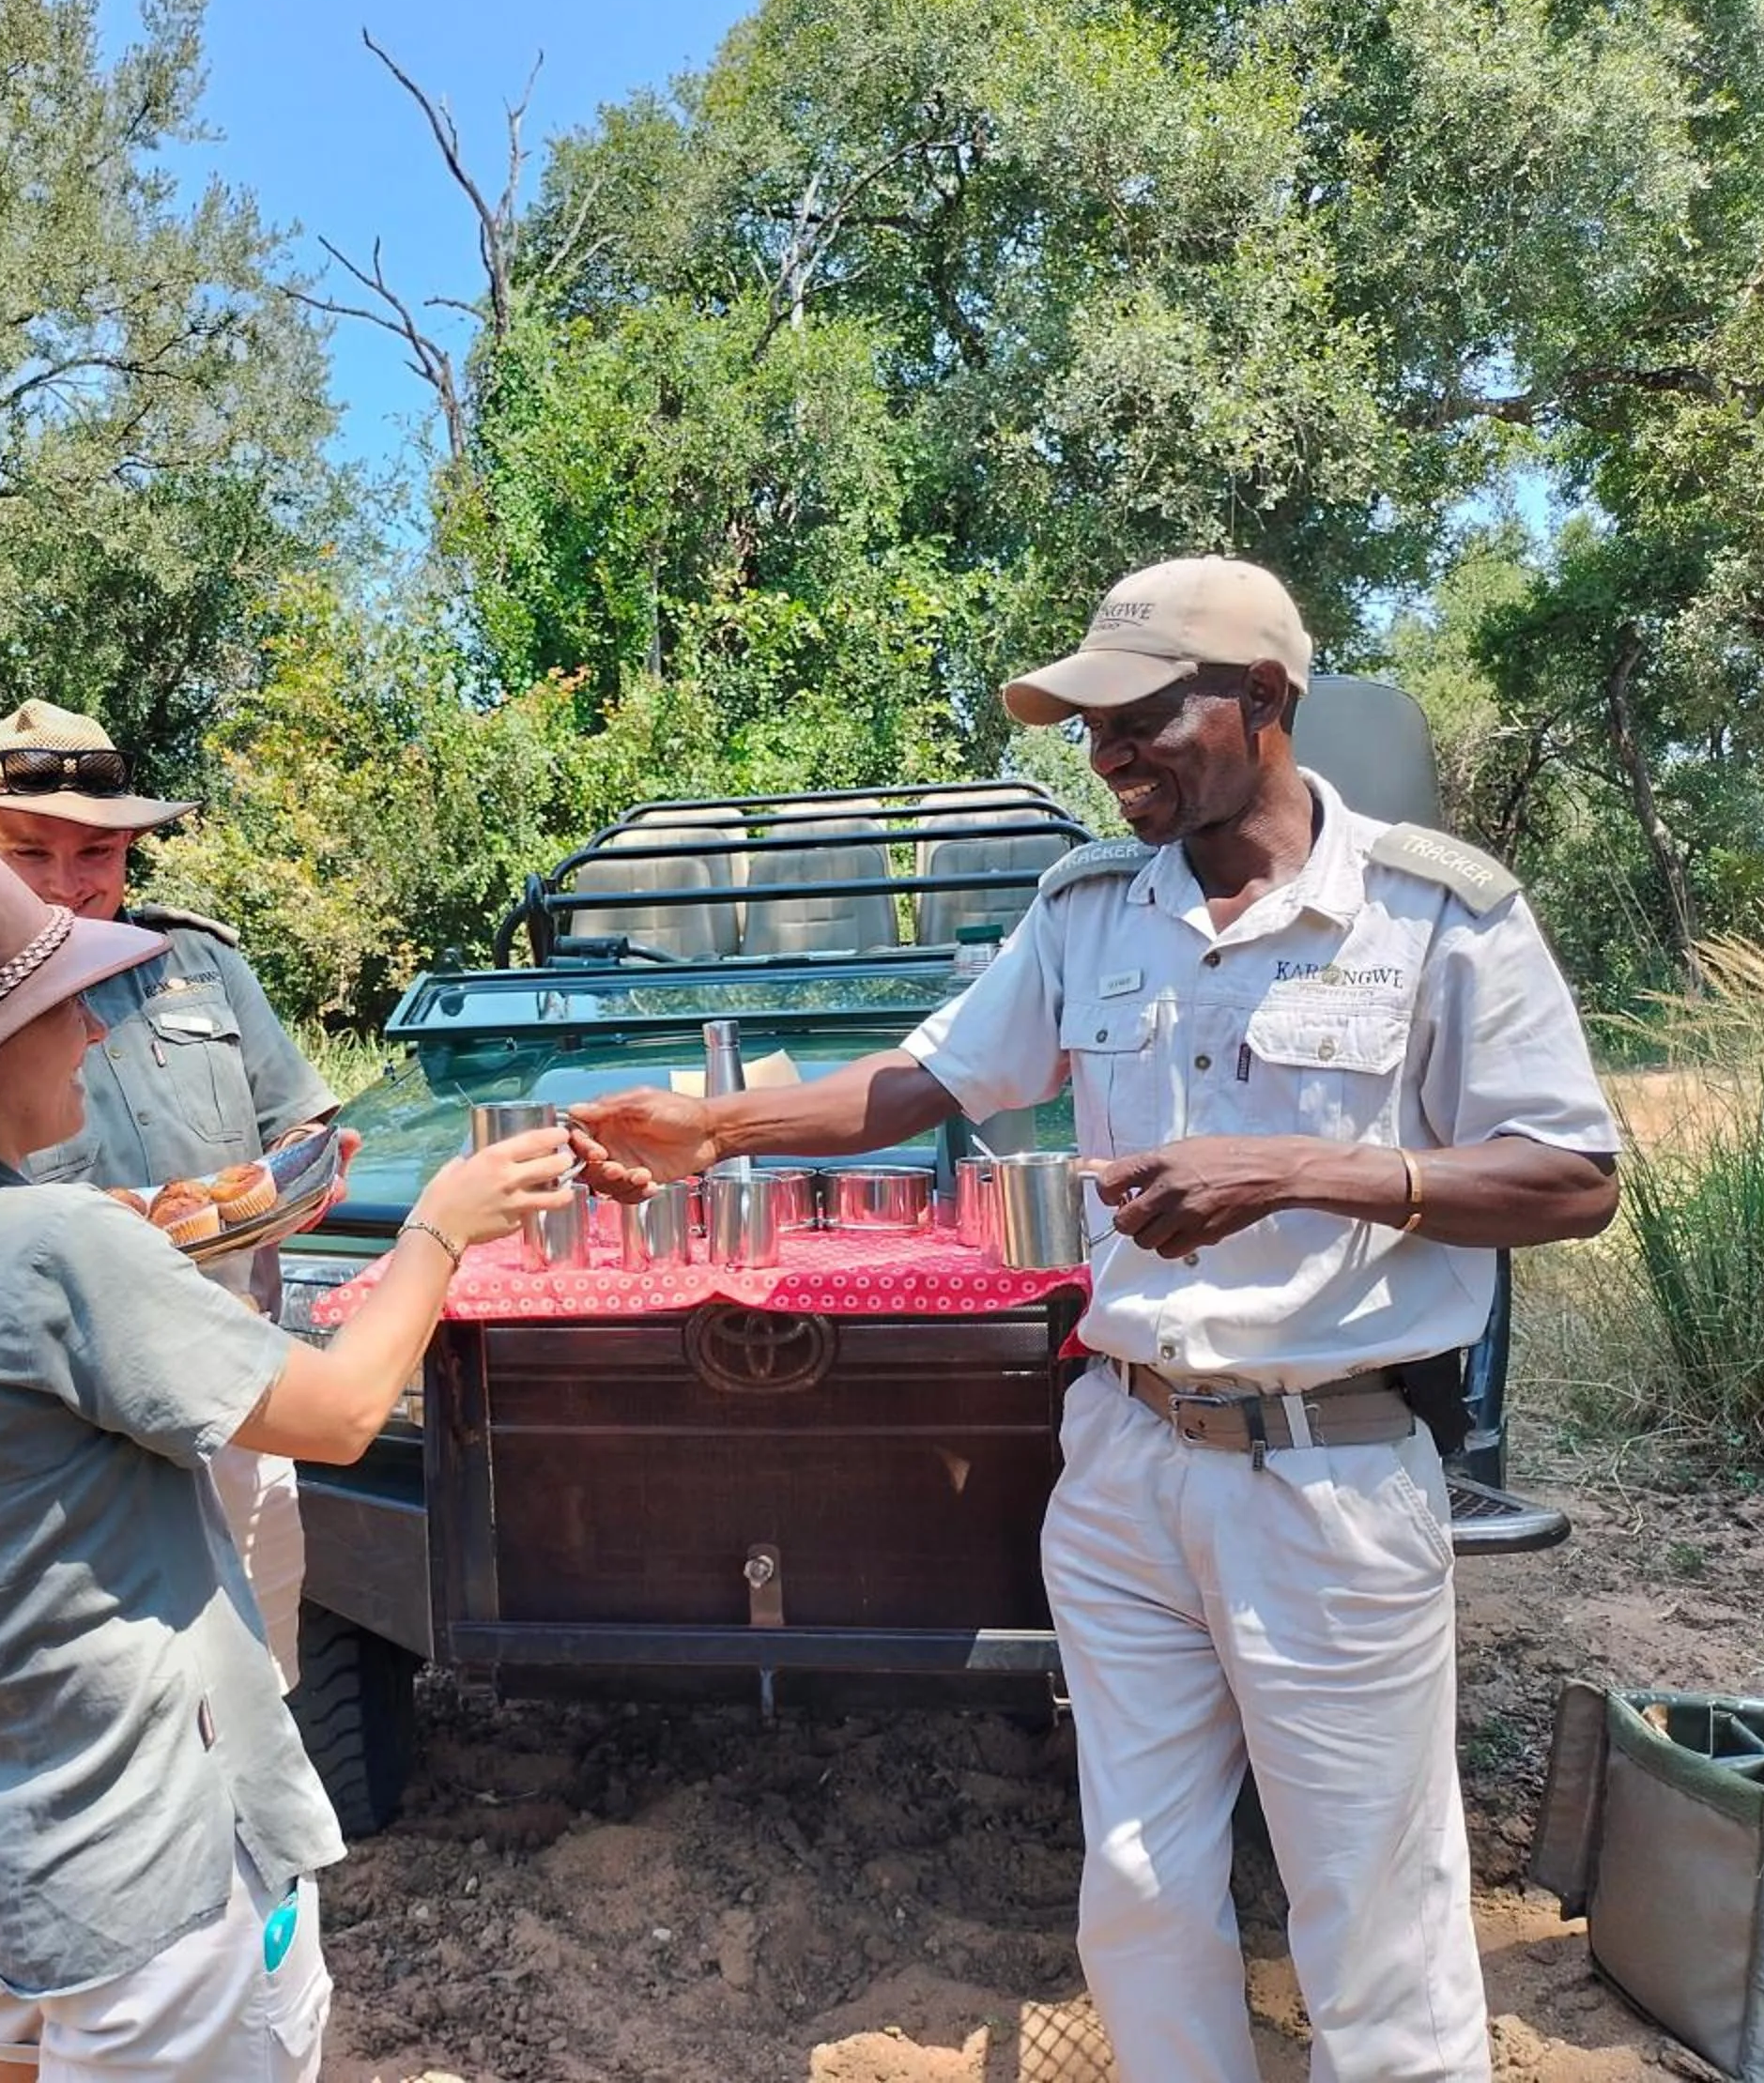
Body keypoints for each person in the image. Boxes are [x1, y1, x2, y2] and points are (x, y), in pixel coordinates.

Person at [571, 556, 1621, 2083]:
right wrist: (716, 1128)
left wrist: (1297, 1170)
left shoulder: (1434, 913)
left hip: (1326, 1478)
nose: (1105, 751)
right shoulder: (1087, 909)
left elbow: (1572, 1176)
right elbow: (933, 1078)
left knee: (1371, 1914)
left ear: (1263, 699)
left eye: (1140, 717)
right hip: (1124, 1461)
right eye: (1089, 724)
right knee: (1136, 1887)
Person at [0, 814, 575, 2082]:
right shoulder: (56, 1244)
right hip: (162, 1868)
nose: (97, 1028)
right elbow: (342, 1411)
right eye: (62, 1003)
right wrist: (442, 1227)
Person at [0, 699, 333, 1692]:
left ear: (130, 846)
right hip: (54, 1435)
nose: (68, 881)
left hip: (241, 1399)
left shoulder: (200, 964)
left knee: (260, 1690)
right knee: (101, 1701)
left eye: (96, 850)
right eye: (28, 851)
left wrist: (300, 1175)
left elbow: (300, 1130)